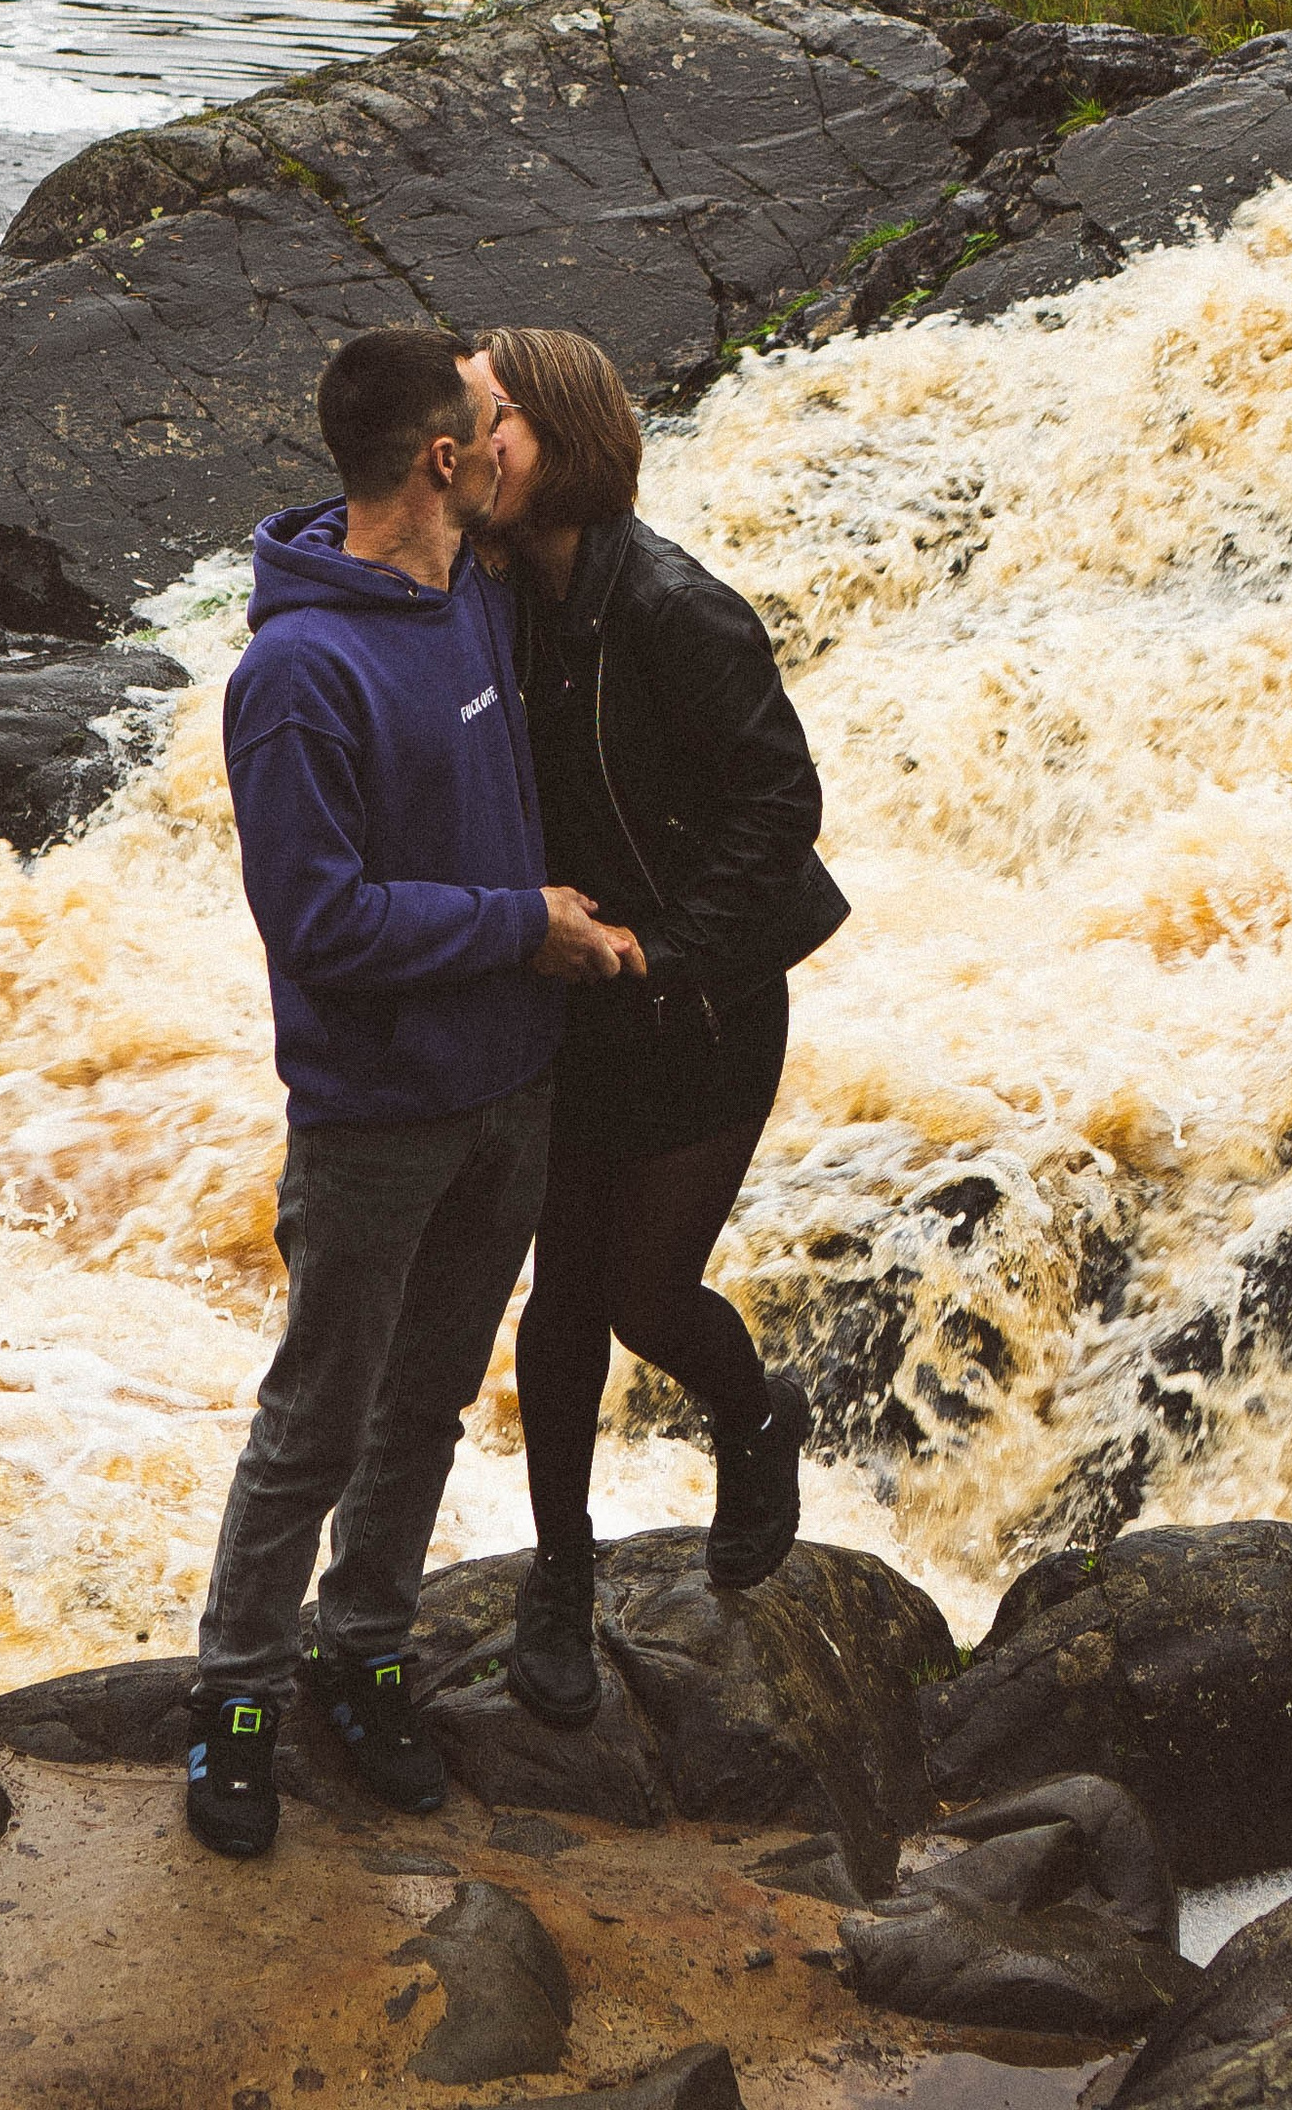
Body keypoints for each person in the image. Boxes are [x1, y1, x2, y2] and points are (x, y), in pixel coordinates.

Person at [186, 325, 640, 1861]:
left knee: (430, 1403)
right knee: (318, 1418)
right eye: (487, 425)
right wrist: (523, 927)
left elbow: (584, 510)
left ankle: (363, 1651)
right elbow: (320, 925)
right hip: (376, 1118)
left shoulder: (481, 594)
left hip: (514, 1091)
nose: (505, 446)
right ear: (443, 460)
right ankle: (235, 1698)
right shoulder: (296, 674)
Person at [464, 324, 848, 1733]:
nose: (464, 446)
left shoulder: (682, 610)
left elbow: (782, 803)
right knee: (563, 1300)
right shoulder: (490, 596)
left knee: (645, 1294)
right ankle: (559, 1578)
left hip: (705, 1001)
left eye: (490, 420)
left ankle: (755, 1417)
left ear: (560, 439)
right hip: (573, 993)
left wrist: (672, 955)